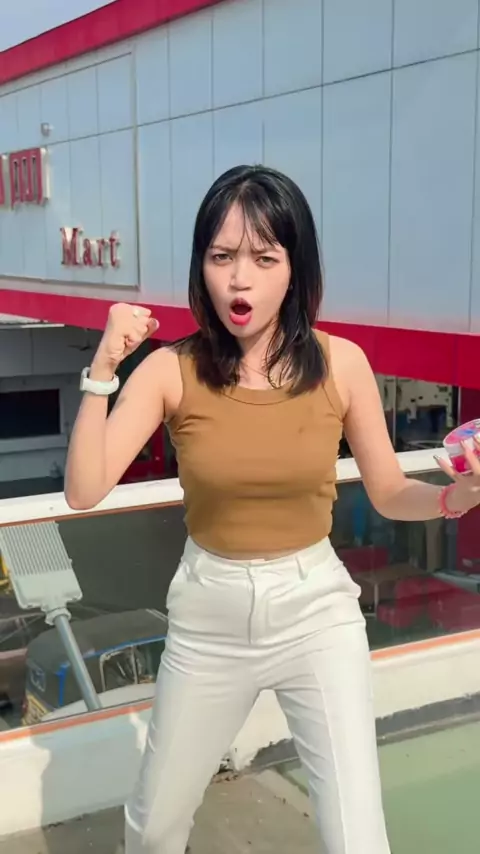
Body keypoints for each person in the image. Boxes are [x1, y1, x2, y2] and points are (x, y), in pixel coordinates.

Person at [65, 165, 480, 854]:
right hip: (209, 616)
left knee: (357, 837)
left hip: (315, 610)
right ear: (200, 266)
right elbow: (84, 490)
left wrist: (450, 497)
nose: (240, 280)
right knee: (154, 826)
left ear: (295, 268)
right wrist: (104, 368)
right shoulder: (171, 370)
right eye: (222, 256)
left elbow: (386, 490)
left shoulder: (342, 364)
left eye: (264, 258)